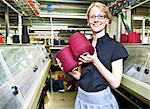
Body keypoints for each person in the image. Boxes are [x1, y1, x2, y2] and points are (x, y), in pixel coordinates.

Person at [57, 2, 128, 109]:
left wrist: (95, 61)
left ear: (107, 20)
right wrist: (67, 69)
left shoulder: (115, 47)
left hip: (100, 102)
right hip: (81, 98)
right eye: (92, 17)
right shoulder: (83, 45)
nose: (96, 20)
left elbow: (115, 83)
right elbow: (82, 77)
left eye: (100, 16)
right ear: (88, 21)